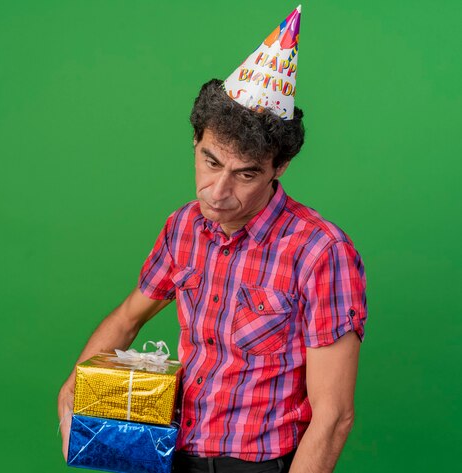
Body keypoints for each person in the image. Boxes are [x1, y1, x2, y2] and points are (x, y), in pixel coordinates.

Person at [59, 7, 367, 473]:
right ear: (196, 143)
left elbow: (334, 416)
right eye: (210, 162)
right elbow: (127, 318)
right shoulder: (182, 227)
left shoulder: (321, 252)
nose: (219, 194)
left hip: (260, 463)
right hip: (173, 452)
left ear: (278, 167)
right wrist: (74, 391)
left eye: (245, 174)